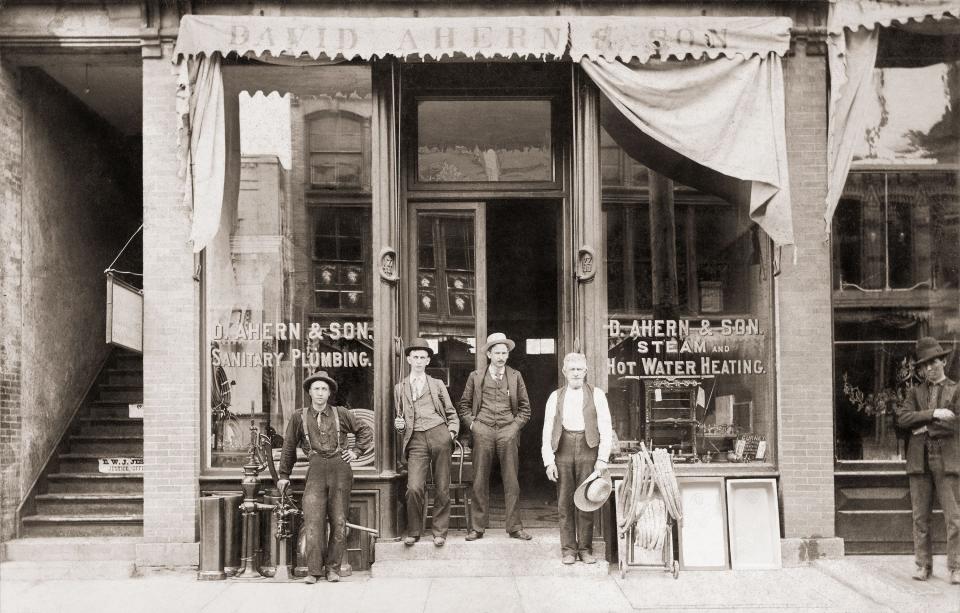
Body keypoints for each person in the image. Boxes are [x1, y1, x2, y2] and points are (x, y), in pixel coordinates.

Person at [277, 371, 373, 584]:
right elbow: (288, 447)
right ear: (309, 392)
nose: (320, 393)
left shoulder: (341, 413)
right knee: (313, 521)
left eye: (324, 389)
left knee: (339, 521)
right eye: (316, 389)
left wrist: (356, 451)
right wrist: (284, 475)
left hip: (341, 469)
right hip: (316, 470)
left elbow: (365, 431)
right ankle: (313, 571)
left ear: (329, 393)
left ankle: (333, 569)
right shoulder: (298, 417)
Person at [894, 337, 959, 584]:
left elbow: (956, 423)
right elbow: (902, 419)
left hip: (948, 460)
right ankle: (923, 565)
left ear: (943, 360)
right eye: (924, 365)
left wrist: (923, 427)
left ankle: (956, 567)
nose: (929, 368)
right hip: (919, 462)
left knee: (954, 517)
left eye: (933, 362)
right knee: (920, 517)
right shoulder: (914, 392)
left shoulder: (956, 389)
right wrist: (934, 414)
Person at [458, 332, 532, 541]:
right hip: (483, 430)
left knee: (512, 480)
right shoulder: (475, 376)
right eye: (497, 352)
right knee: (480, 479)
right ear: (489, 354)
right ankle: (477, 527)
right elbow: (463, 405)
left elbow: (526, 409)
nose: (501, 357)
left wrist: (514, 427)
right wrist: (474, 425)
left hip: (508, 431)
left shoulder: (515, 376)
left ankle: (515, 527)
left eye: (504, 353)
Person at [541, 352, 613, 564]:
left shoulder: (597, 394)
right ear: (564, 372)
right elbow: (547, 430)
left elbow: (606, 427)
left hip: (588, 447)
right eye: (571, 369)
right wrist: (548, 461)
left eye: (579, 369)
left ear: (586, 371)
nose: (575, 373)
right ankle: (568, 550)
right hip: (562, 447)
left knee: (587, 499)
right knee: (564, 501)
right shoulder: (555, 396)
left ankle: (585, 549)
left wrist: (602, 458)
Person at [394, 338, 460, 547]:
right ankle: (414, 531)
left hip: (439, 434)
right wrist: (399, 426)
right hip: (415, 440)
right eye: (415, 357)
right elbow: (400, 419)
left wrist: (451, 432)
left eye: (423, 357)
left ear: (428, 360)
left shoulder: (437, 384)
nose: (419, 361)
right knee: (414, 487)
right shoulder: (400, 388)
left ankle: (439, 532)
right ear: (408, 359)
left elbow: (452, 413)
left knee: (442, 487)